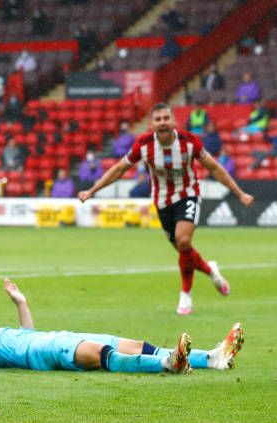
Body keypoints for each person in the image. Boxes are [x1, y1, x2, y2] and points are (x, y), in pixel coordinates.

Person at [78, 103, 254, 315]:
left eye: (166, 118)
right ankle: (211, 271)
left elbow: (214, 168)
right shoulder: (143, 145)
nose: (162, 122)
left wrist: (240, 193)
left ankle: (185, 296)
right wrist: (92, 190)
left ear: (173, 121)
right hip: (162, 202)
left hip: (188, 194)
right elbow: (119, 169)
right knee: (184, 250)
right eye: (158, 119)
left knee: (183, 240)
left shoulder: (189, 142)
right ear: (151, 124)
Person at [0, 265, 245, 375]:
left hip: (42, 340)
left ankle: (210, 359)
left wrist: (21, 304)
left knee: (125, 344)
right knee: (99, 354)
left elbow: (27, 333)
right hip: (40, 353)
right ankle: (167, 365)